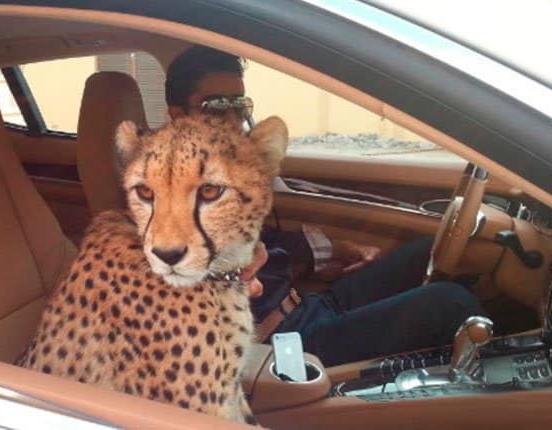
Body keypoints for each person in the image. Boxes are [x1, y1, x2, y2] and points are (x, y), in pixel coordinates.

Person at [164, 45, 486, 366]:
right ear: (178, 116)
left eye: (240, 105)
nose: (234, 121)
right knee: (451, 305)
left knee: (426, 252)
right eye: (218, 107)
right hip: (281, 344)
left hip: (307, 305)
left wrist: (338, 250)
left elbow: (271, 244)